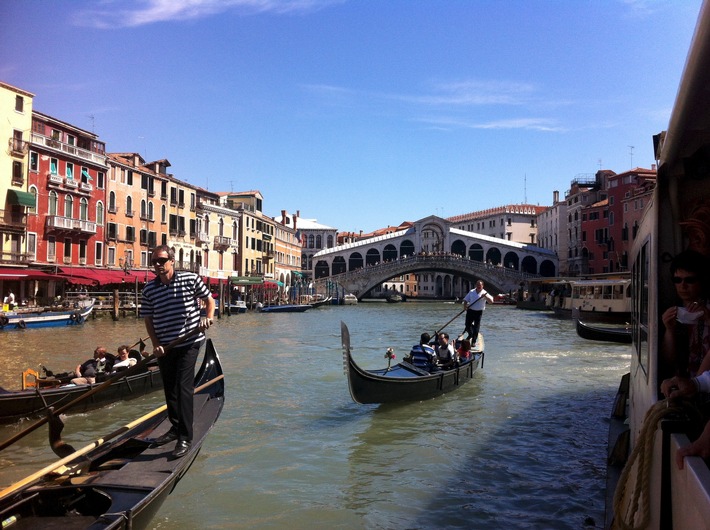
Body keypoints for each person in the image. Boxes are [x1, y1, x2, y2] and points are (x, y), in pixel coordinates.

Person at [141, 245, 215, 459]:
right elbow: (148, 319)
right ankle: (175, 427)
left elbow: (210, 300)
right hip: (165, 345)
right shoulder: (149, 290)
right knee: (170, 389)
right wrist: (156, 345)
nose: (158, 265)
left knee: (183, 387)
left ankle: (185, 436)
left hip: (189, 340)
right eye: (154, 261)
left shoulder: (190, 279)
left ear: (172, 261)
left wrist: (207, 317)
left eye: (162, 260)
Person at [660, 249, 710, 378]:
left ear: (702, 281)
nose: (683, 286)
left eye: (690, 280)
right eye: (677, 280)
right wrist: (669, 330)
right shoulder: (674, 311)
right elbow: (669, 362)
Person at [461, 280, 494, 345]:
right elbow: (465, 300)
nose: (479, 286)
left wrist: (485, 296)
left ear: (482, 286)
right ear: (476, 285)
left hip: (479, 312)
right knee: (467, 325)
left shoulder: (485, 293)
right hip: (470, 310)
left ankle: (473, 341)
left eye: (480, 285)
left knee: (476, 326)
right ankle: (470, 334)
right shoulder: (472, 291)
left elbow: (491, 302)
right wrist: (465, 306)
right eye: (477, 285)